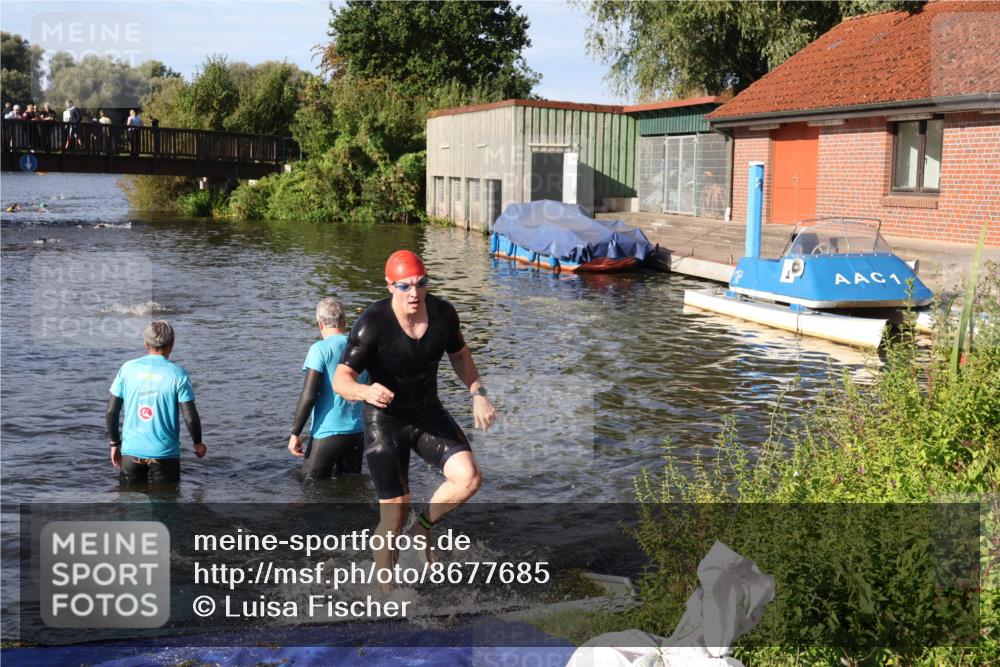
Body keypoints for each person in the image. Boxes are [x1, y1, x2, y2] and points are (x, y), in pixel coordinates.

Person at [334, 250, 496, 577]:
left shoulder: (443, 314)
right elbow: (341, 379)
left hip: (427, 412)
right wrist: (366, 391)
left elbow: (461, 355)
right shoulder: (372, 324)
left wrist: (477, 392)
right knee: (394, 514)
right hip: (385, 420)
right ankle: (384, 590)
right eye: (405, 286)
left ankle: (421, 529)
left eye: (421, 284)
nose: (415, 293)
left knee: (469, 477)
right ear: (390, 286)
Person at [106, 321, 207, 485]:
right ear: (172, 345)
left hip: (131, 454)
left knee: (131, 505)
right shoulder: (178, 374)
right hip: (165, 455)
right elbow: (190, 417)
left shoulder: (127, 369)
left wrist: (114, 444)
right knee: (166, 505)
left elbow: (112, 411)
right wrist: (198, 443)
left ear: (146, 344)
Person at [288, 298, 368, 479]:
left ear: (320, 323)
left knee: (309, 487)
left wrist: (295, 433)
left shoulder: (319, 349)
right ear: (344, 321)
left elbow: (308, 395)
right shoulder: (360, 347)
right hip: (357, 433)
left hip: (327, 434)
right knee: (352, 488)